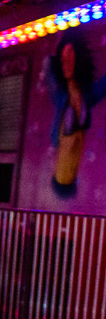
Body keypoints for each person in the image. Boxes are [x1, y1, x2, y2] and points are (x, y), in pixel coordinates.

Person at [47, 30, 106, 198]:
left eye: (71, 56)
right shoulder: (62, 96)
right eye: (64, 58)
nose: (68, 62)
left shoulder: (87, 94)